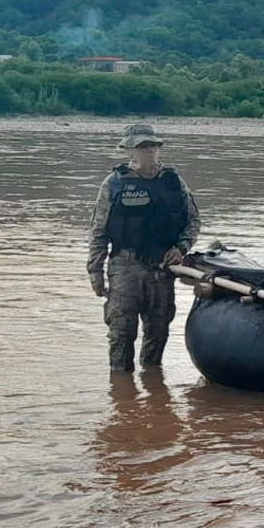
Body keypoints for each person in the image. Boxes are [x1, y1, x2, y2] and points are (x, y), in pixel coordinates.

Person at [88, 124, 201, 372]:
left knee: (158, 332)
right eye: (142, 147)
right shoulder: (113, 184)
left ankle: (151, 376)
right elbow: (99, 230)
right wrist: (95, 271)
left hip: (161, 270)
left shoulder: (174, 182)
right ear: (129, 150)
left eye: (152, 146)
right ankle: (124, 396)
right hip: (125, 267)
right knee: (121, 333)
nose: (149, 151)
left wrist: (181, 248)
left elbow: (193, 220)